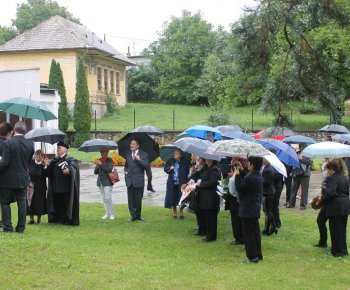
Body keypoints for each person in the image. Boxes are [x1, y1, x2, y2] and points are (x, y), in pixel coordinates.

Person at [0, 121, 34, 233]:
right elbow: (29, 162)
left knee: (5, 202)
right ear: (25, 131)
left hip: (7, 178)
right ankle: (20, 228)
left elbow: (4, 163)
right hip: (23, 177)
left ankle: (8, 227)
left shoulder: (8, 143)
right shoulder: (30, 144)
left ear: (14, 129)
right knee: (22, 203)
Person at [235, 156, 264, 263]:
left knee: (249, 234)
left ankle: (252, 256)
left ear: (252, 164)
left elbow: (240, 187)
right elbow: (247, 177)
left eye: (248, 163)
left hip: (248, 209)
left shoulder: (252, 177)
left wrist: (237, 176)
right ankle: (258, 254)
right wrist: (242, 171)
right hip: (253, 208)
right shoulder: (257, 174)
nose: (247, 164)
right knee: (255, 232)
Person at [44, 140, 80, 226]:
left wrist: (69, 171)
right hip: (55, 187)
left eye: (59, 148)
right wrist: (46, 165)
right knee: (58, 203)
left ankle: (67, 219)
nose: (57, 149)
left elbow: (74, 171)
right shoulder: (54, 160)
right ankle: (58, 219)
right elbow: (48, 174)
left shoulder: (71, 159)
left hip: (66, 187)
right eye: (57, 148)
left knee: (66, 204)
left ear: (65, 149)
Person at [321, 161, 350, 257]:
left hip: (336, 206)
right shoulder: (343, 177)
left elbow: (330, 193)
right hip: (345, 205)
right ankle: (342, 250)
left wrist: (323, 198)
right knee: (342, 229)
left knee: (335, 229)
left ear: (331, 169)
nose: (327, 172)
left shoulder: (332, 178)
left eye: (328, 170)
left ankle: (337, 251)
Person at [124, 138, 149, 222]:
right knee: (130, 200)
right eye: (131, 144)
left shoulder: (144, 154)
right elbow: (126, 165)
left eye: (133, 144)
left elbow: (146, 165)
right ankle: (132, 215)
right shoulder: (127, 155)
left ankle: (138, 215)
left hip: (138, 180)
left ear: (137, 146)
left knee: (138, 199)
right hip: (129, 180)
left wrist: (139, 159)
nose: (131, 145)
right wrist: (126, 172)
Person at [196, 158, 221, 242]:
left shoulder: (214, 169)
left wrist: (201, 184)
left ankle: (211, 236)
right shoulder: (207, 168)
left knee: (211, 218)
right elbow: (201, 176)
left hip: (211, 197)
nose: (206, 160)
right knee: (207, 217)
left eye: (207, 159)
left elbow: (213, 182)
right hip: (206, 197)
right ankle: (208, 234)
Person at [164, 148, 190, 219]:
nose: (174, 154)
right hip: (172, 183)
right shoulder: (170, 161)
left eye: (176, 153)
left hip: (182, 183)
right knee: (173, 198)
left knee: (181, 198)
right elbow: (165, 169)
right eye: (174, 153)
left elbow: (187, 172)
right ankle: (175, 213)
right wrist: (170, 168)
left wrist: (187, 181)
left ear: (180, 155)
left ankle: (181, 213)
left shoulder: (185, 162)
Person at [287, 143, 312, 209]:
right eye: (301, 147)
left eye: (304, 147)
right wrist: (292, 172)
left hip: (305, 174)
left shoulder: (309, 154)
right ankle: (291, 204)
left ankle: (303, 205)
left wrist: (301, 159)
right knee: (293, 189)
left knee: (304, 190)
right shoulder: (297, 153)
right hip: (296, 173)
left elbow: (309, 163)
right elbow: (294, 163)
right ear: (300, 147)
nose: (303, 148)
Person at [226, 157, 245, 245]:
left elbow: (239, 184)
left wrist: (237, 174)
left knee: (237, 218)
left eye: (234, 159)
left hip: (238, 197)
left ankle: (240, 237)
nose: (232, 161)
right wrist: (232, 175)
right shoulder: (234, 169)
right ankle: (237, 237)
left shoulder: (242, 171)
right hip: (232, 196)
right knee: (234, 218)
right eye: (232, 159)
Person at [94, 146, 115, 220]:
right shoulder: (99, 160)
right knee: (104, 199)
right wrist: (97, 165)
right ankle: (107, 213)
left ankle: (112, 214)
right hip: (100, 182)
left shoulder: (110, 160)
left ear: (107, 152)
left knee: (108, 198)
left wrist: (101, 164)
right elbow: (95, 172)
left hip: (107, 182)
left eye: (104, 152)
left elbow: (109, 169)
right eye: (101, 152)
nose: (102, 153)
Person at [27, 150, 47, 225]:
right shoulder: (30, 162)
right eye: (37, 156)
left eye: (40, 156)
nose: (38, 158)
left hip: (40, 186)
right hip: (31, 186)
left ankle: (39, 219)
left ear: (42, 157)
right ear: (35, 155)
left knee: (39, 203)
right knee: (30, 202)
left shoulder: (43, 164)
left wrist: (45, 166)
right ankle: (31, 219)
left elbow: (46, 174)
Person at [189, 156, 208, 236]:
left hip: (203, 193)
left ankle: (204, 230)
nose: (198, 160)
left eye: (200, 159)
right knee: (198, 212)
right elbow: (193, 178)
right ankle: (200, 229)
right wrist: (193, 172)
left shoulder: (207, 168)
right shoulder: (199, 168)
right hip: (197, 193)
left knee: (202, 213)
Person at [0, 122, 13, 228]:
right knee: (4, 201)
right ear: (9, 132)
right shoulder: (8, 144)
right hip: (5, 176)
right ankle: (5, 223)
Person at [261, 159, 277, 235]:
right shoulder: (267, 168)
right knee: (267, 211)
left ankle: (272, 227)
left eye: (264, 159)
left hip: (268, 193)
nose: (263, 160)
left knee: (267, 212)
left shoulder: (268, 169)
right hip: (268, 192)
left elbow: (267, 182)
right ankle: (269, 228)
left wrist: (259, 179)